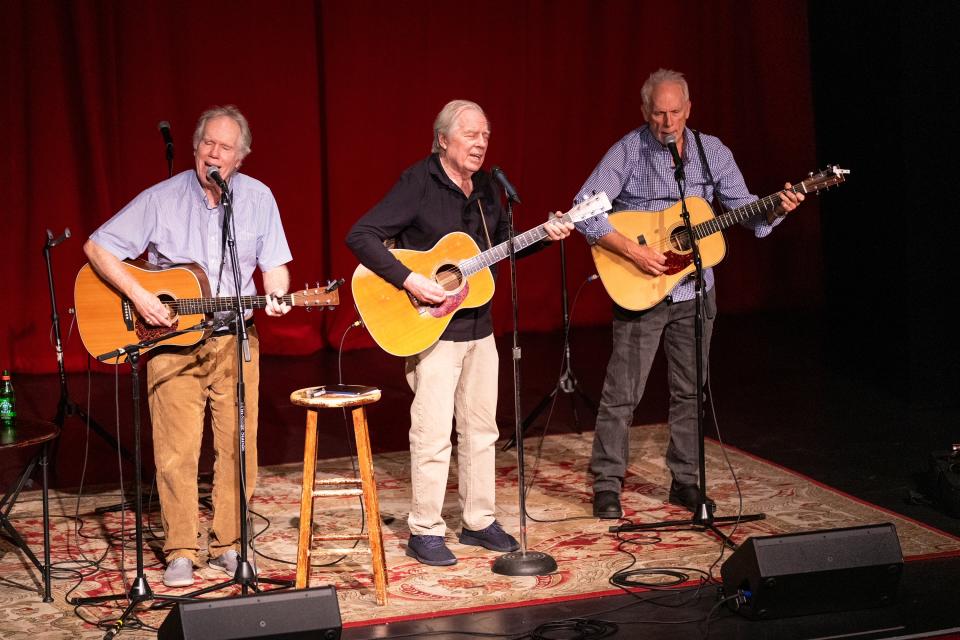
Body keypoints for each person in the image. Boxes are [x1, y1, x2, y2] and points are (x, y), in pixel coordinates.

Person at [346, 99, 573, 566]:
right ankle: (425, 529)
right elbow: (361, 235)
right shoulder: (419, 181)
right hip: (431, 329)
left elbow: (502, 251)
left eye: (485, 135)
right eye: (470, 135)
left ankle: (478, 520)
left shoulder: (490, 189)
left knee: (481, 428)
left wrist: (544, 236)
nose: (480, 143)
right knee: (432, 433)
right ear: (443, 139)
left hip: (479, 327)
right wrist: (411, 280)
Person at [573, 69, 804, 519]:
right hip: (642, 289)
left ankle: (686, 481)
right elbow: (585, 210)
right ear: (645, 112)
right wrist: (632, 252)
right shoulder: (627, 151)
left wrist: (774, 206)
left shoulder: (710, 151)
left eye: (675, 112)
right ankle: (607, 482)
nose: (667, 121)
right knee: (623, 392)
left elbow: (743, 211)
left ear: (689, 109)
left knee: (689, 391)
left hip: (696, 292)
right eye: (658, 113)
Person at [83, 105, 293, 587]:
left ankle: (229, 544)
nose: (214, 155)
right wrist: (140, 296)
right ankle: (180, 548)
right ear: (196, 147)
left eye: (225, 148)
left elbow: (275, 265)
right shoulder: (161, 199)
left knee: (239, 448)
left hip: (236, 339)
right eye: (207, 145)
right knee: (176, 451)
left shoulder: (258, 198)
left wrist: (280, 293)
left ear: (242, 157)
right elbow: (98, 247)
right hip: (172, 342)